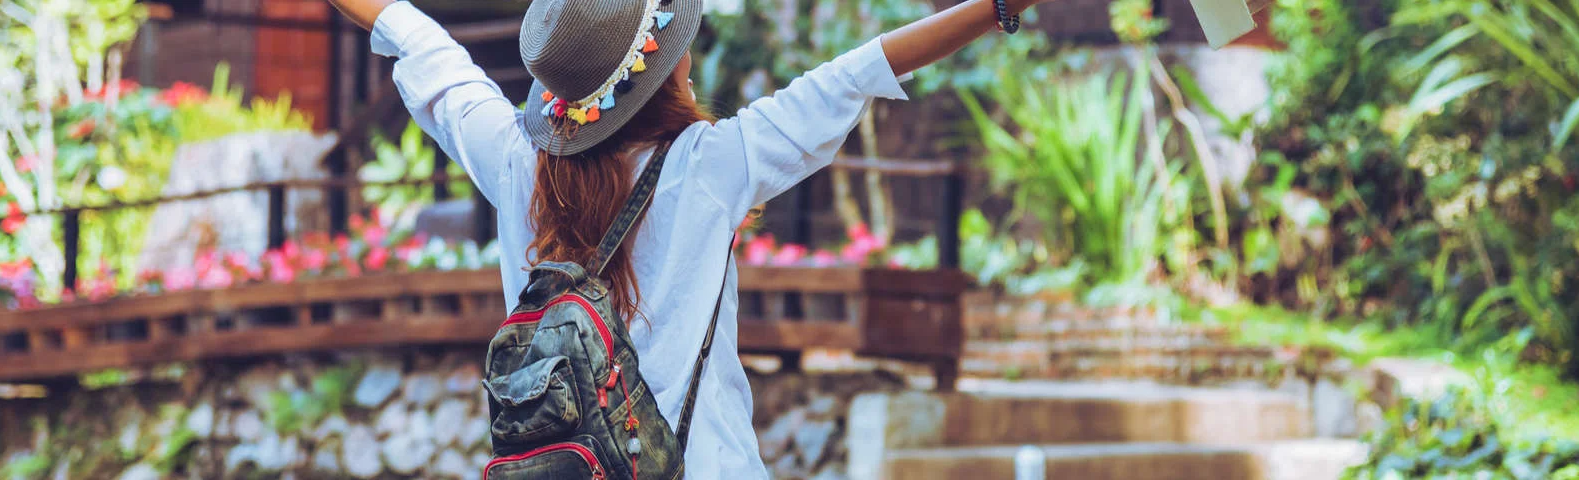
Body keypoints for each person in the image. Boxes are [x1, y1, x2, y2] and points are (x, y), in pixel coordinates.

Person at [323, 0, 1058, 476]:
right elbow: (858, 72)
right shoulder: (711, 163)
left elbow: (414, 38)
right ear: (667, 67)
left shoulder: (514, 159)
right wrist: (997, 8)